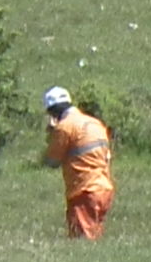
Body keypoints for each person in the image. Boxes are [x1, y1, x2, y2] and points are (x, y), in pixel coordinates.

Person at [39, 87, 113, 241]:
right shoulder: (95, 123)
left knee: (83, 243)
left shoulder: (64, 127)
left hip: (83, 190)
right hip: (103, 188)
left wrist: (52, 134)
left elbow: (52, 161)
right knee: (95, 238)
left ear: (53, 111)